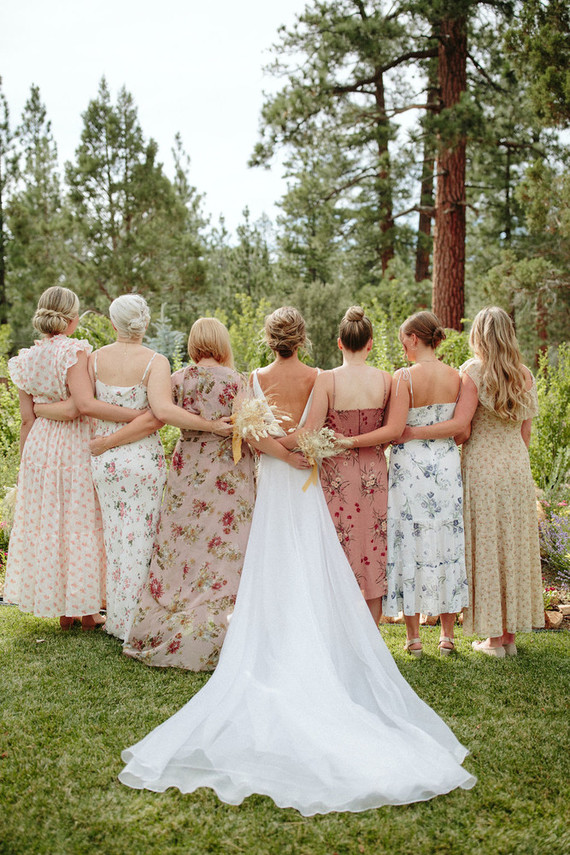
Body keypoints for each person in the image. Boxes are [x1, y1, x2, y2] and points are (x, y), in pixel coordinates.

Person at [119, 306, 475, 815]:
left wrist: (278, 453)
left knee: (270, 565)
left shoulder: (253, 378)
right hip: (307, 479)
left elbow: (252, 432)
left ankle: (276, 639)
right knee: (311, 562)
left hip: (275, 478)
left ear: (268, 340)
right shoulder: (319, 377)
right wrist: (299, 453)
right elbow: (316, 430)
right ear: (304, 339)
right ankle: (319, 639)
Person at [403, 307, 544, 657]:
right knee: (513, 549)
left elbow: (462, 429)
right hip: (517, 469)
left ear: (478, 335)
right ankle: (509, 637)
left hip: (482, 468)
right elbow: (525, 432)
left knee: (487, 550)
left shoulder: (472, 372)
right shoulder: (525, 375)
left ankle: (493, 641)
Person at [4, 286, 145, 631]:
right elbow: (82, 405)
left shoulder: (24, 360)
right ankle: (87, 612)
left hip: (39, 446)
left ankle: (66, 611)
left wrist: (27, 461)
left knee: (52, 523)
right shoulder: (75, 350)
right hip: (73, 444)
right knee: (81, 521)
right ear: (72, 319)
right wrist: (133, 414)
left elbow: (27, 418)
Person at [119, 318, 256, 670]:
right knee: (228, 545)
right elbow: (247, 426)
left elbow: (157, 416)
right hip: (230, 471)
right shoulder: (239, 381)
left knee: (184, 543)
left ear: (195, 344)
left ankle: (175, 611)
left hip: (190, 470)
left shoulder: (179, 380)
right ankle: (224, 627)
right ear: (222, 343)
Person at [37, 295, 168, 640]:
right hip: (142, 459)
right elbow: (157, 418)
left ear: (113, 324)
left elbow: (81, 405)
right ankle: (140, 620)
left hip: (104, 461)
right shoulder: (157, 362)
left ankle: (118, 620)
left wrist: (39, 409)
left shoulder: (93, 360)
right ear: (145, 324)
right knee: (143, 537)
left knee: (114, 538)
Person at [279, 306, 393, 623]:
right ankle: (372, 637)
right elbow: (390, 432)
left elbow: (309, 431)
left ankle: (338, 631)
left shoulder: (327, 380)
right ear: (370, 343)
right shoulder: (386, 380)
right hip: (374, 474)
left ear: (339, 343)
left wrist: (272, 444)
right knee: (372, 551)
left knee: (336, 548)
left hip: (335, 477)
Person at [381, 311, 469, 657]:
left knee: (409, 542)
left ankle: (414, 638)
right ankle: (447, 636)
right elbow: (462, 430)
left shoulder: (404, 377)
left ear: (414, 340)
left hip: (409, 468)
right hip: (445, 466)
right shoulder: (458, 377)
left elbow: (396, 427)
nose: (403, 349)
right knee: (446, 540)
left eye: (404, 342)